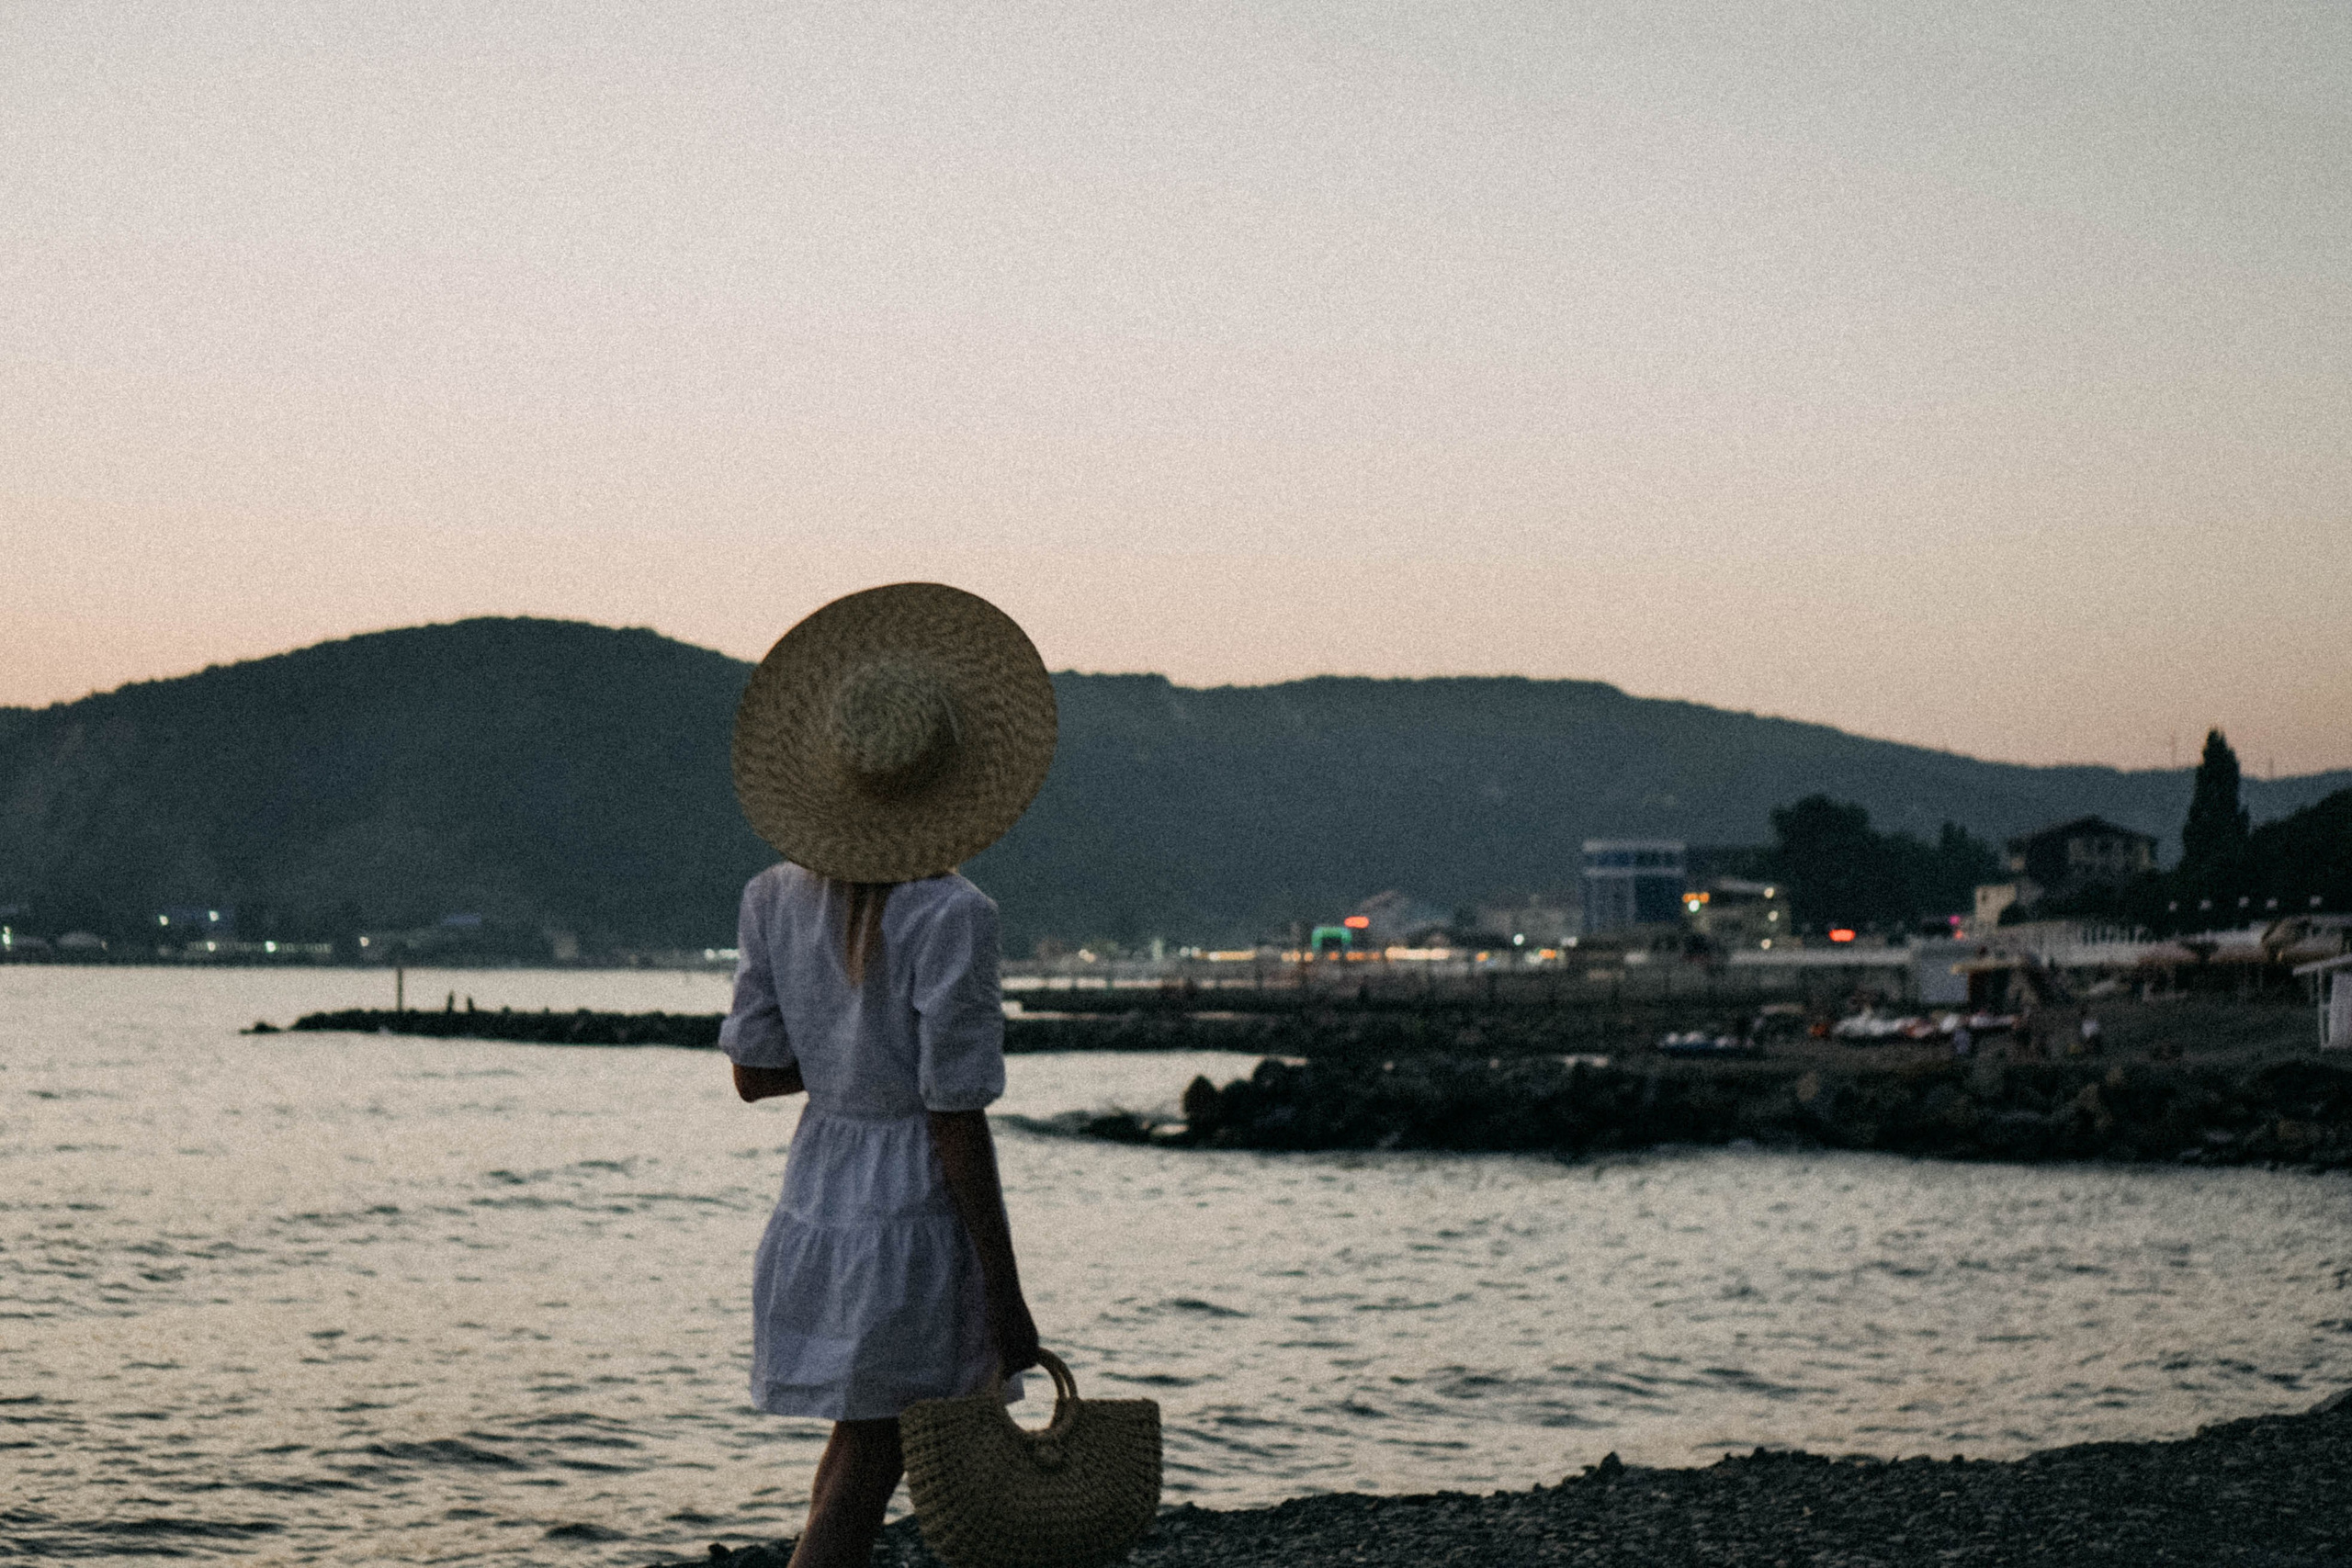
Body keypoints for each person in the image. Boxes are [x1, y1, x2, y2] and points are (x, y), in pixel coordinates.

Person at [718, 583, 1060, 1568]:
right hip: (913, 1204)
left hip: (821, 1190)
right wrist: (1007, 1295)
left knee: (860, 1441)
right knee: (870, 1460)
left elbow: (753, 1074)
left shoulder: (771, 896)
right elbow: (955, 1117)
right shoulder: (953, 915)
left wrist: (844, 1063)